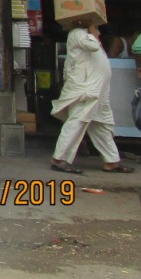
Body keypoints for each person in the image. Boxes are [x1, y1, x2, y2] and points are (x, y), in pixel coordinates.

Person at [50, 21, 134, 175]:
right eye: (96, 28)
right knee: (76, 122)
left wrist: (92, 31)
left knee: (102, 125)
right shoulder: (78, 33)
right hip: (85, 89)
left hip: (98, 91)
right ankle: (59, 159)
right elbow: (93, 46)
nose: (99, 33)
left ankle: (111, 161)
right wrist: (90, 29)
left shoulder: (88, 36)